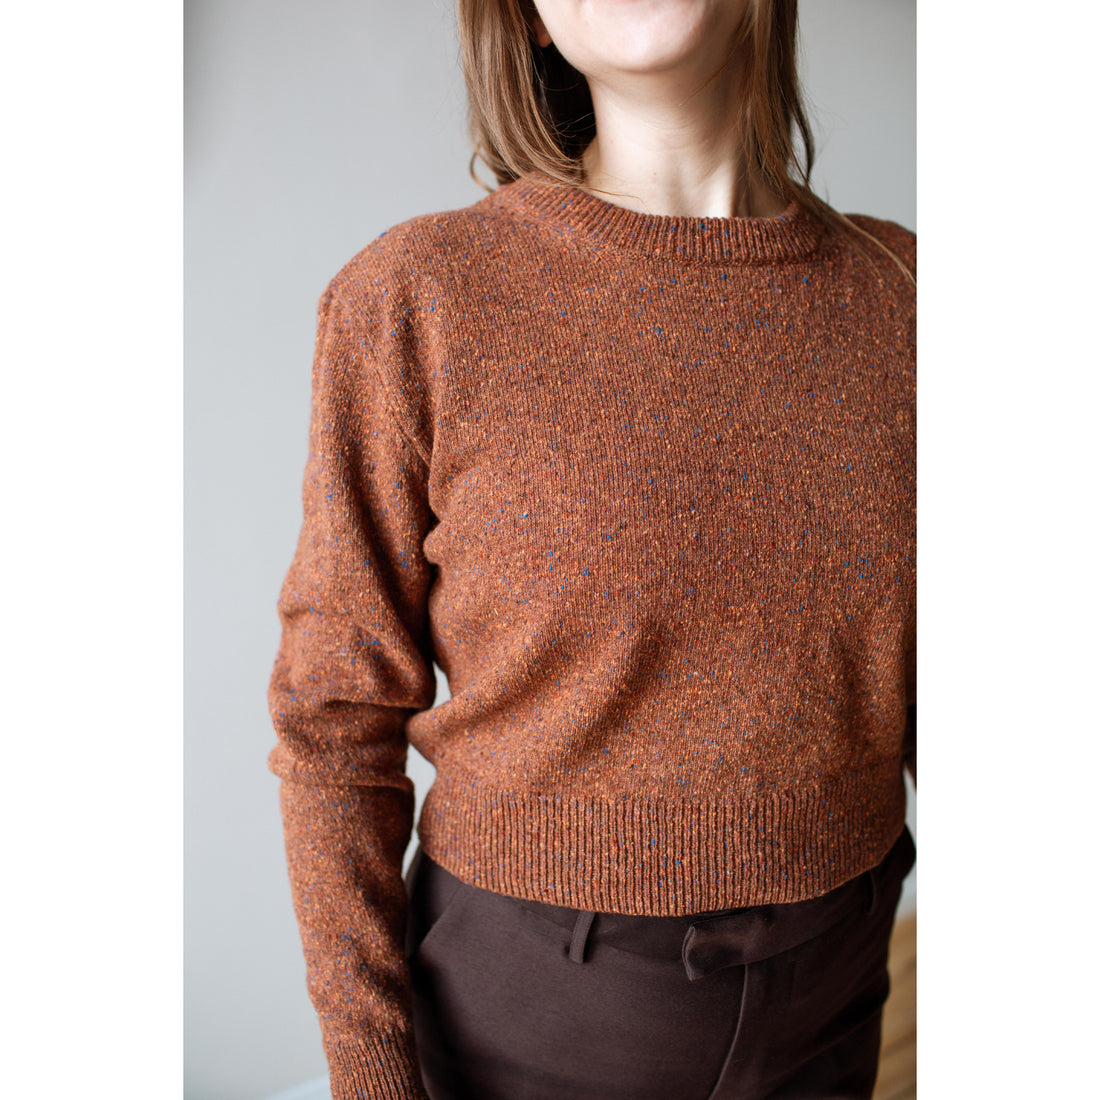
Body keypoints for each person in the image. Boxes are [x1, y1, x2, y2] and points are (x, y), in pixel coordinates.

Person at [266, 1, 916, 1097]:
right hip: (528, 1020)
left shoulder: (914, 297)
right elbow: (333, 723)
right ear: (523, 17)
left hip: (838, 996)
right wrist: (372, 1077)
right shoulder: (418, 296)